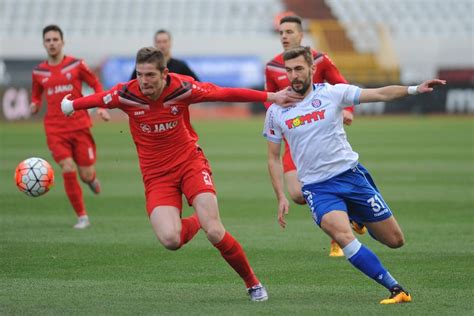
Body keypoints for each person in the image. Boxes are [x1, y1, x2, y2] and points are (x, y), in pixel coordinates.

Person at [60, 47, 303, 301]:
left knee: (215, 230)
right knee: (170, 239)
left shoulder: (182, 88)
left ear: (165, 73)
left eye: (150, 75)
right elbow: (97, 99)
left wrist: (271, 96)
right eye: (140, 74)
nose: (144, 81)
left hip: (190, 164)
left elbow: (223, 93)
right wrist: (71, 105)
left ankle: (252, 283)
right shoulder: (125, 93)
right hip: (156, 176)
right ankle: (197, 219)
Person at [263, 46, 445, 304]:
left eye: (299, 69)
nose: (294, 75)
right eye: (289, 70)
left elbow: (380, 93)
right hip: (317, 188)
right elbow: (272, 157)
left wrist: (414, 89)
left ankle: (359, 216)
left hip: (350, 176)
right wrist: (281, 195)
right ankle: (396, 289)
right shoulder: (276, 110)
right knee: (342, 235)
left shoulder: (332, 93)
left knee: (395, 240)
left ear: (312, 69)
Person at [265, 15, 358, 256]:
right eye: (281, 32)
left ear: (301, 35)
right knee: (296, 194)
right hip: (293, 139)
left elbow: (341, 84)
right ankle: (346, 216)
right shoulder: (272, 67)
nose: (284, 36)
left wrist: (347, 110)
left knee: (325, 183)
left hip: (321, 134)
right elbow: (270, 100)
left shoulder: (320, 60)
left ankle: (339, 233)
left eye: (289, 32)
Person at [30, 24, 111, 229]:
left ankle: (91, 179)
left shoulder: (76, 65)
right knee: (67, 167)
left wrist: (101, 107)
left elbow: (96, 84)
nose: (52, 43)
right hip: (55, 129)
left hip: (80, 125)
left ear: (62, 42)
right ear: (44, 44)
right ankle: (82, 217)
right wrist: (35, 105)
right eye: (48, 40)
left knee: (85, 174)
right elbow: (36, 95)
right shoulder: (39, 72)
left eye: (55, 39)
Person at [131, 29, 200, 141]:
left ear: (170, 43)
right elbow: (131, 89)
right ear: (155, 44)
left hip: (177, 116)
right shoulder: (145, 68)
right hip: (151, 118)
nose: (162, 45)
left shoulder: (180, 66)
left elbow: (197, 85)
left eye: (165, 41)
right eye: (159, 42)